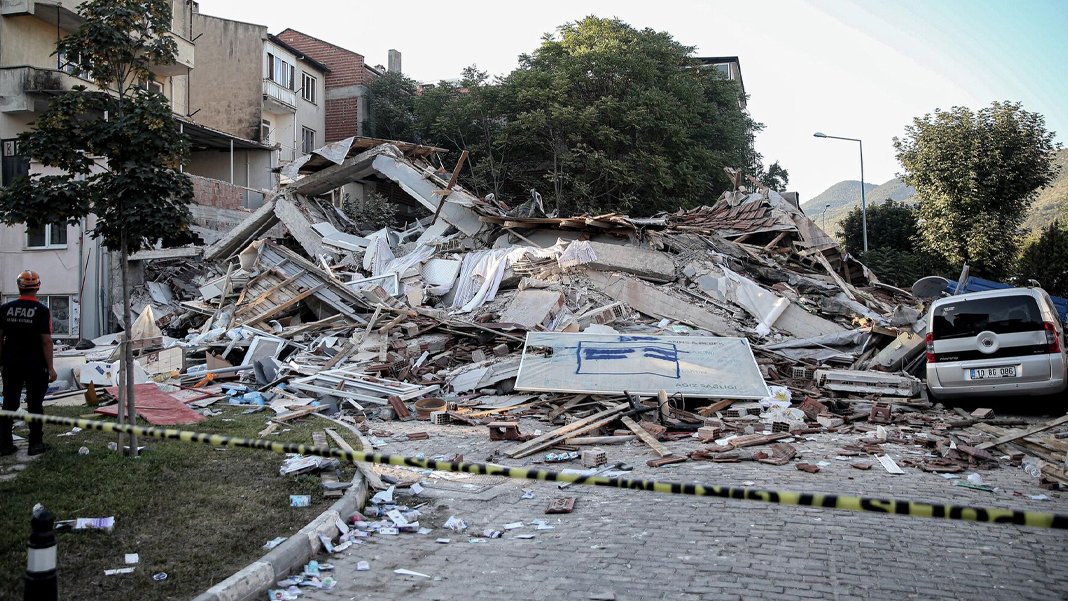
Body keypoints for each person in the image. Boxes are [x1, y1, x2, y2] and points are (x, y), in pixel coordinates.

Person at [0, 270, 57, 456]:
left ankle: (5, 445)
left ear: (19, 286)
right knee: (35, 404)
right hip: (35, 365)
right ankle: (35, 444)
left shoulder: (5, 309)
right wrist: (50, 368)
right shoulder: (42, 311)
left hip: (11, 364)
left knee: (8, 404)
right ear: (38, 287)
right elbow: (46, 341)